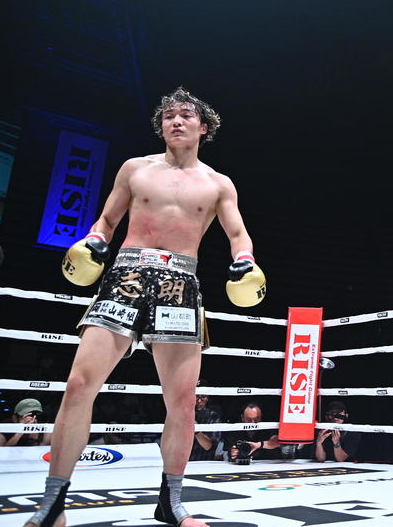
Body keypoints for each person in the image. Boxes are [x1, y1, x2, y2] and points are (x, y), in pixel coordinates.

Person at [27, 88, 266, 527]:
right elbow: (106, 220)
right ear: (161, 126)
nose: (176, 120)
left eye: (186, 115)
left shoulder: (218, 183)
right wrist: (95, 240)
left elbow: (238, 235)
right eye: (169, 115)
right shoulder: (135, 169)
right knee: (79, 385)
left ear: (203, 127)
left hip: (179, 284)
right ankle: (53, 504)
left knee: (183, 402)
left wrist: (245, 261)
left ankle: (171, 502)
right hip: (127, 277)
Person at [189, 389, 221, 461]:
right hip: (181, 461)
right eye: (196, 396)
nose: (199, 401)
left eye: (203, 397)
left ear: (207, 398)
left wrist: (196, 429)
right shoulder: (182, 414)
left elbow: (208, 446)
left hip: (203, 462)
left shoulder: (213, 416)